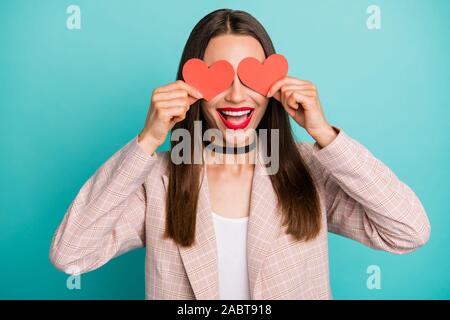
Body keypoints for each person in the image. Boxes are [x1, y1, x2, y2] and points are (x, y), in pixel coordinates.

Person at [49, 9, 431, 300]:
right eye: (217, 76)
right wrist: (147, 140)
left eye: (250, 78)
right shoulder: (157, 180)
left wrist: (324, 134)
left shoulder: (309, 170)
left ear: (274, 84)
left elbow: (408, 231)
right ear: (191, 84)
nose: (235, 95)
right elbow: (71, 254)